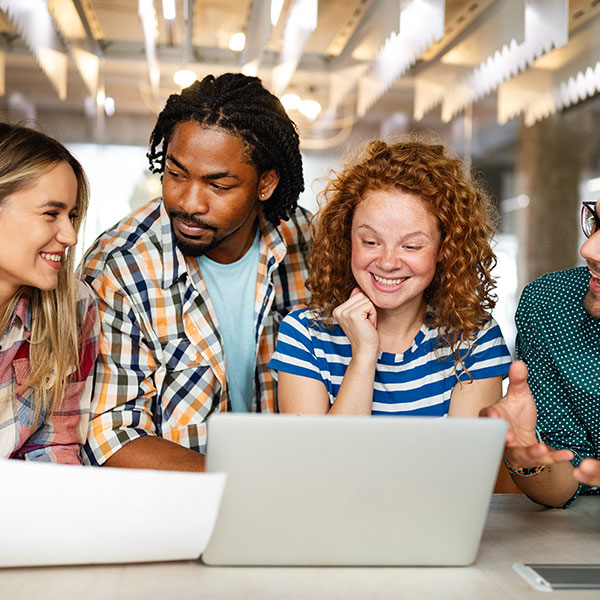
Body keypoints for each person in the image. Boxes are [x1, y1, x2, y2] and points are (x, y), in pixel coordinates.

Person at [82, 73, 310, 471]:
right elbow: (110, 435)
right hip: (178, 510)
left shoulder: (311, 244)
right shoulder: (119, 265)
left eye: (218, 185)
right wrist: (249, 483)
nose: (188, 202)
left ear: (266, 183)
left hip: (301, 494)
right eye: (176, 173)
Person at [269, 140, 511, 416]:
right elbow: (316, 457)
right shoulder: (305, 334)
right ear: (348, 238)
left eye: (411, 246)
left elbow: (469, 459)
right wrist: (363, 354)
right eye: (371, 242)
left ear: (445, 248)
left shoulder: (475, 338)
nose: (387, 262)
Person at [483, 199, 600, 508]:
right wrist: (529, 457)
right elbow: (567, 472)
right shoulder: (552, 305)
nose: (588, 249)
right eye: (597, 223)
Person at [0, 123, 99, 463]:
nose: (70, 236)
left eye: (71, 215)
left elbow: (54, 447)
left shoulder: (73, 308)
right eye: (51, 214)